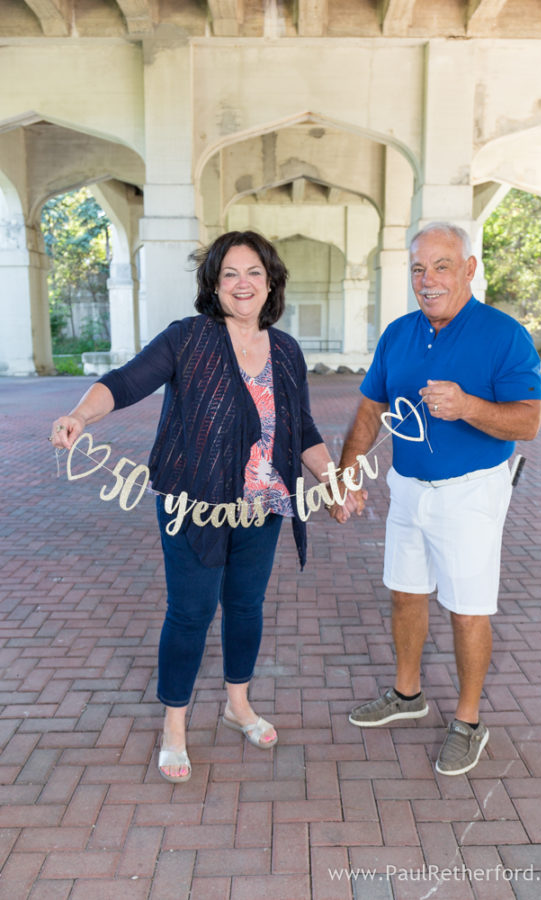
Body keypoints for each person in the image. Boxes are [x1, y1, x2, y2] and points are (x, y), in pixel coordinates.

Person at [49, 230, 344, 784]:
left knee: (246, 606)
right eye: (229, 273)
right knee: (190, 612)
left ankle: (237, 705)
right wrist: (80, 416)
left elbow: (301, 426)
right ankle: (175, 727)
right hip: (194, 504)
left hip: (263, 504)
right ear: (213, 282)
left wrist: (333, 483)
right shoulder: (186, 339)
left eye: (253, 272)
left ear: (270, 281)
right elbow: (126, 382)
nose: (242, 283)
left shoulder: (284, 349)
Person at [332, 221, 541, 776]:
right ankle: (408, 695)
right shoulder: (399, 334)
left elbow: (529, 420)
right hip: (406, 486)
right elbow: (368, 411)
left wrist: (468, 406)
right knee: (405, 592)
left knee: (468, 609)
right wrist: (346, 473)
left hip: (471, 491)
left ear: (469, 269)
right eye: (419, 269)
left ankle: (469, 721)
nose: (428, 280)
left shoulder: (504, 335)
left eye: (442, 266)